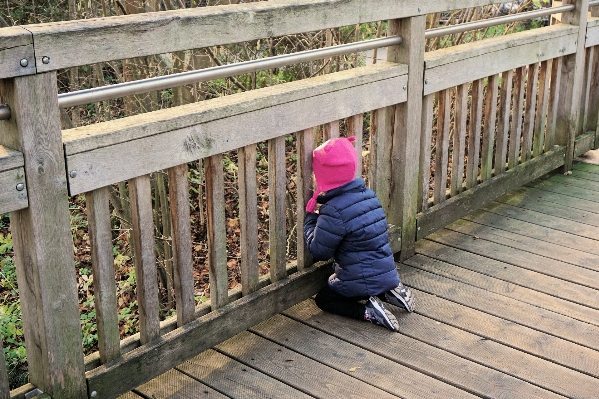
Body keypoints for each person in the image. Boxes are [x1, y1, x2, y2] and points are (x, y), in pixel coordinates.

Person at [303, 136, 415, 332]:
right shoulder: (369, 196)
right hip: (387, 274)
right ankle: (390, 293)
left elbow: (319, 251)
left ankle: (368, 312)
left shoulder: (334, 210)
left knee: (324, 299)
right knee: (368, 276)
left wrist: (310, 219)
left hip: (359, 281)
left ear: (323, 177)